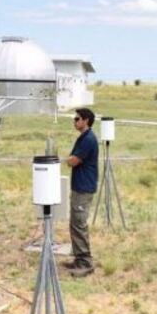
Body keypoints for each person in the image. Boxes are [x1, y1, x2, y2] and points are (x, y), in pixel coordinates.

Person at [65, 107, 98, 277]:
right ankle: (79, 259)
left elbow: (74, 161)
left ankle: (85, 263)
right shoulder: (83, 138)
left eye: (77, 119)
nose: (75, 121)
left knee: (79, 224)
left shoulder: (88, 140)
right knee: (75, 223)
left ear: (86, 121)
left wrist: (67, 160)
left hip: (84, 187)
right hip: (79, 186)